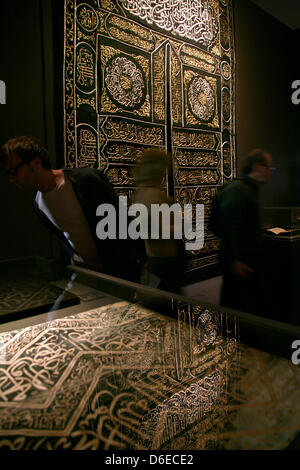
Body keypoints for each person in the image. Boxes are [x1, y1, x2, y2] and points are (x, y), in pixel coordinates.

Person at [0, 135, 141, 282]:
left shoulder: (85, 180)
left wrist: (139, 262)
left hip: (121, 274)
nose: (12, 179)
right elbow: (65, 237)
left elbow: (122, 222)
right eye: (8, 173)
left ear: (36, 163)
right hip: (89, 277)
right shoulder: (38, 203)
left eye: (15, 171)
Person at [217, 148, 275, 314]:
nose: (271, 174)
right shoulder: (239, 190)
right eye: (269, 169)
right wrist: (235, 260)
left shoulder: (248, 190)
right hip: (239, 264)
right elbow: (228, 226)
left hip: (245, 263)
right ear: (257, 166)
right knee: (235, 309)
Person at [133, 148, 185, 293]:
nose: (165, 173)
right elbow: (155, 231)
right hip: (164, 262)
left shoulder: (142, 192)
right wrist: (180, 225)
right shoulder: (152, 195)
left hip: (156, 260)